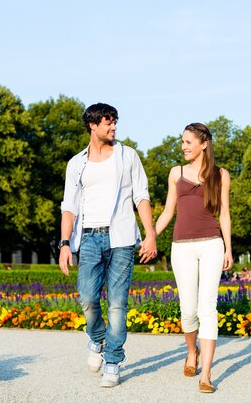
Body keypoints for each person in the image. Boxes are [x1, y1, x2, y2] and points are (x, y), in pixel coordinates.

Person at [58, 103, 157, 388]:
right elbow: (69, 206)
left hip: (122, 238)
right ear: (92, 125)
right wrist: (65, 244)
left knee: (117, 304)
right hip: (89, 236)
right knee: (87, 299)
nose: (113, 128)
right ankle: (97, 338)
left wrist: (149, 234)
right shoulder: (77, 163)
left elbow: (142, 196)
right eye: (108, 123)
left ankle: (113, 360)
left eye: (115, 123)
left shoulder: (128, 156)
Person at [155, 122, 233, 394]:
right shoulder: (175, 173)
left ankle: (207, 375)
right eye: (183, 142)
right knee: (188, 310)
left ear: (204, 144)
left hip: (212, 244)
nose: (184, 146)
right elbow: (168, 211)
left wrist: (229, 248)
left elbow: (224, 213)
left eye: (188, 142)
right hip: (182, 247)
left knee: (207, 309)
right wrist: (150, 236)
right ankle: (192, 351)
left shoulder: (221, 175)